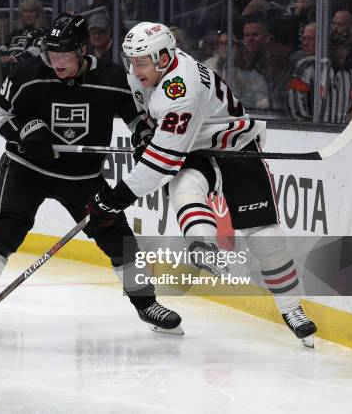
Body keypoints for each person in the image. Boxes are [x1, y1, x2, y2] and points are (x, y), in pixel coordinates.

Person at [0, 13, 183, 345]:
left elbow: (136, 119)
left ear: (83, 50)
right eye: (51, 54)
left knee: (118, 238)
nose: (56, 62)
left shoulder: (114, 77)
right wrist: (27, 131)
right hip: (28, 170)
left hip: (83, 178)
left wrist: (144, 137)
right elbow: (3, 119)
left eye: (64, 55)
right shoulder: (28, 73)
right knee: (5, 232)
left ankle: (147, 304)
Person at [85, 22, 318, 347]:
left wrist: (115, 197)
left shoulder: (182, 88)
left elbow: (161, 164)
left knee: (263, 234)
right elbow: (148, 119)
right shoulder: (141, 72)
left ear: (164, 58)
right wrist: (146, 134)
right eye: (130, 60)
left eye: (140, 61)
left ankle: (292, 310)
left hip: (235, 146)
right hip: (195, 146)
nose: (133, 69)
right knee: (185, 187)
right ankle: (203, 246)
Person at [0, 0, 45, 78]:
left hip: (28, 72)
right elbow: (4, 47)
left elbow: (35, 52)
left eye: (32, 11)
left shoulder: (43, 32)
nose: (28, 15)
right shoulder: (16, 32)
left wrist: (13, 59)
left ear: (38, 13)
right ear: (21, 14)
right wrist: (3, 56)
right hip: (8, 69)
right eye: (25, 11)